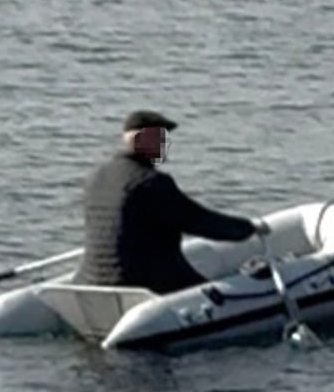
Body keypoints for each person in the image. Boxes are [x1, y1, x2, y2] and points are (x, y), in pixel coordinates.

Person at [72, 110, 270, 294]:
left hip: (92, 283)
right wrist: (247, 228)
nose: (165, 146)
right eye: (160, 139)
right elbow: (200, 221)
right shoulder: (151, 183)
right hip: (147, 285)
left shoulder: (96, 176)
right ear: (140, 140)